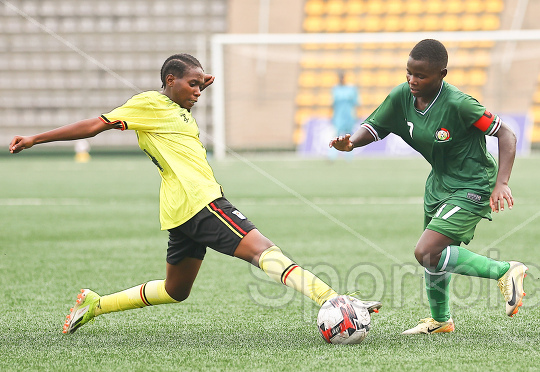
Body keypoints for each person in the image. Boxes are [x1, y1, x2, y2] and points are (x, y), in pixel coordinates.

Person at [9, 53, 381, 334]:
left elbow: (189, 85)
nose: (199, 92)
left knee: (176, 290)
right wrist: (35, 138)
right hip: (201, 201)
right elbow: (95, 125)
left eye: (202, 86)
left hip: (178, 209)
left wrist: (198, 79)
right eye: (192, 85)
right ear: (169, 81)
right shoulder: (149, 103)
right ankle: (332, 299)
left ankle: (95, 304)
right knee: (263, 250)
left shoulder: (176, 102)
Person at [329, 39, 527, 334]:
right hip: (438, 184)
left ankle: (506, 270)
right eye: (409, 72)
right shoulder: (401, 97)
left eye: (420, 75)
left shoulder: (459, 104)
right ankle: (440, 320)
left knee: (427, 251)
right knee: (434, 257)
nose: (412, 80)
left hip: (473, 183)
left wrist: (502, 183)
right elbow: (375, 126)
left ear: (441, 75)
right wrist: (352, 143)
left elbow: (507, 134)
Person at [329, 71, 359, 161]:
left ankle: (349, 156)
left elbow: (356, 103)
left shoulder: (351, 89)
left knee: (349, 136)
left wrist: (357, 114)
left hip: (349, 116)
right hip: (338, 116)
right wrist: (330, 115)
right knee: (336, 136)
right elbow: (332, 104)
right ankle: (332, 156)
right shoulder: (335, 89)